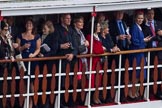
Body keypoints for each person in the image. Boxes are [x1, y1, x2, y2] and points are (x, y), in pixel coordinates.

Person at [16, 18, 41, 108]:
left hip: (32, 61)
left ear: (33, 26)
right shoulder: (20, 36)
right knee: (24, 82)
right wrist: (23, 47)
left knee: (32, 83)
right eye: (27, 23)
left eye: (31, 23)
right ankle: (24, 104)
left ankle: (31, 104)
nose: (29, 25)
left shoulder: (36, 36)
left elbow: (38, 48)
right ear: (25, 25)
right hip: (23, 61)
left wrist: (33, 55)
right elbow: (17, 49)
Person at [55, 14, 77, 107]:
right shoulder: (57, 30)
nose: (69, 20)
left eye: (70, 18)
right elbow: (53, 44)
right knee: (61, 82)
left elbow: (75, 46)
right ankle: (60, 103)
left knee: (71, 82)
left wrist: (73, 54)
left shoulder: (71, 30)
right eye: (67, 18)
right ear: (62, 19)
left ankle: (70, 102)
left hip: (71, 61)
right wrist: (61, 46)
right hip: (61, 60)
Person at [109, 10, 131, 102]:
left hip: (125, 51)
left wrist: (129, 37)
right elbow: (108, 36)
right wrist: (117, 37)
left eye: (122, 13)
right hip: (116, 53)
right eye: (118, 13)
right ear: (115, 14)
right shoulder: (111, 24)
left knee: (124, 75)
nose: (120, 15)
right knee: (114, 75)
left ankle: (122, 95)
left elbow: (127, 32)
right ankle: (112, 96)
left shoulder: (124, 23)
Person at [129, 10, 151, 100]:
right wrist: (143, 41)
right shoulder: (134, 27)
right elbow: (134, 41)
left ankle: (136, 92)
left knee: (140, 74)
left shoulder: (139, 27)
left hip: (140, 53)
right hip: (136, 54)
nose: (140, 20)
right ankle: (131, 93)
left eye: (142, 18)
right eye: (139, 18)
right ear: (135, 18)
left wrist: (144, 40)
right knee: (136, 74)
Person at [38, 20, 59, 108]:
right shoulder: (40, 36)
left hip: (49, 63)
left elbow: (54, 50)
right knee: (40, 83)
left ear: (50, 29)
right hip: (41, 63)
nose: (43, 30)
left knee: (49, 83)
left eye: (45, 29)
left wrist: (45, 55)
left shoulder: (53, 37)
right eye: (43, 29)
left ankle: (47, 103)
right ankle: (40, 102)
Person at [86, 22, 104, 105]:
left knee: (98, 80)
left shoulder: (98, 37)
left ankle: (96, 98)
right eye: (98, 26)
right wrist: (102, 49)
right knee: (92, 80)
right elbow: (95, 50)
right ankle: (90, 99)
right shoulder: (90, 37)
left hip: (98, 62)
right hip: (93, 62)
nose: (99, 27)